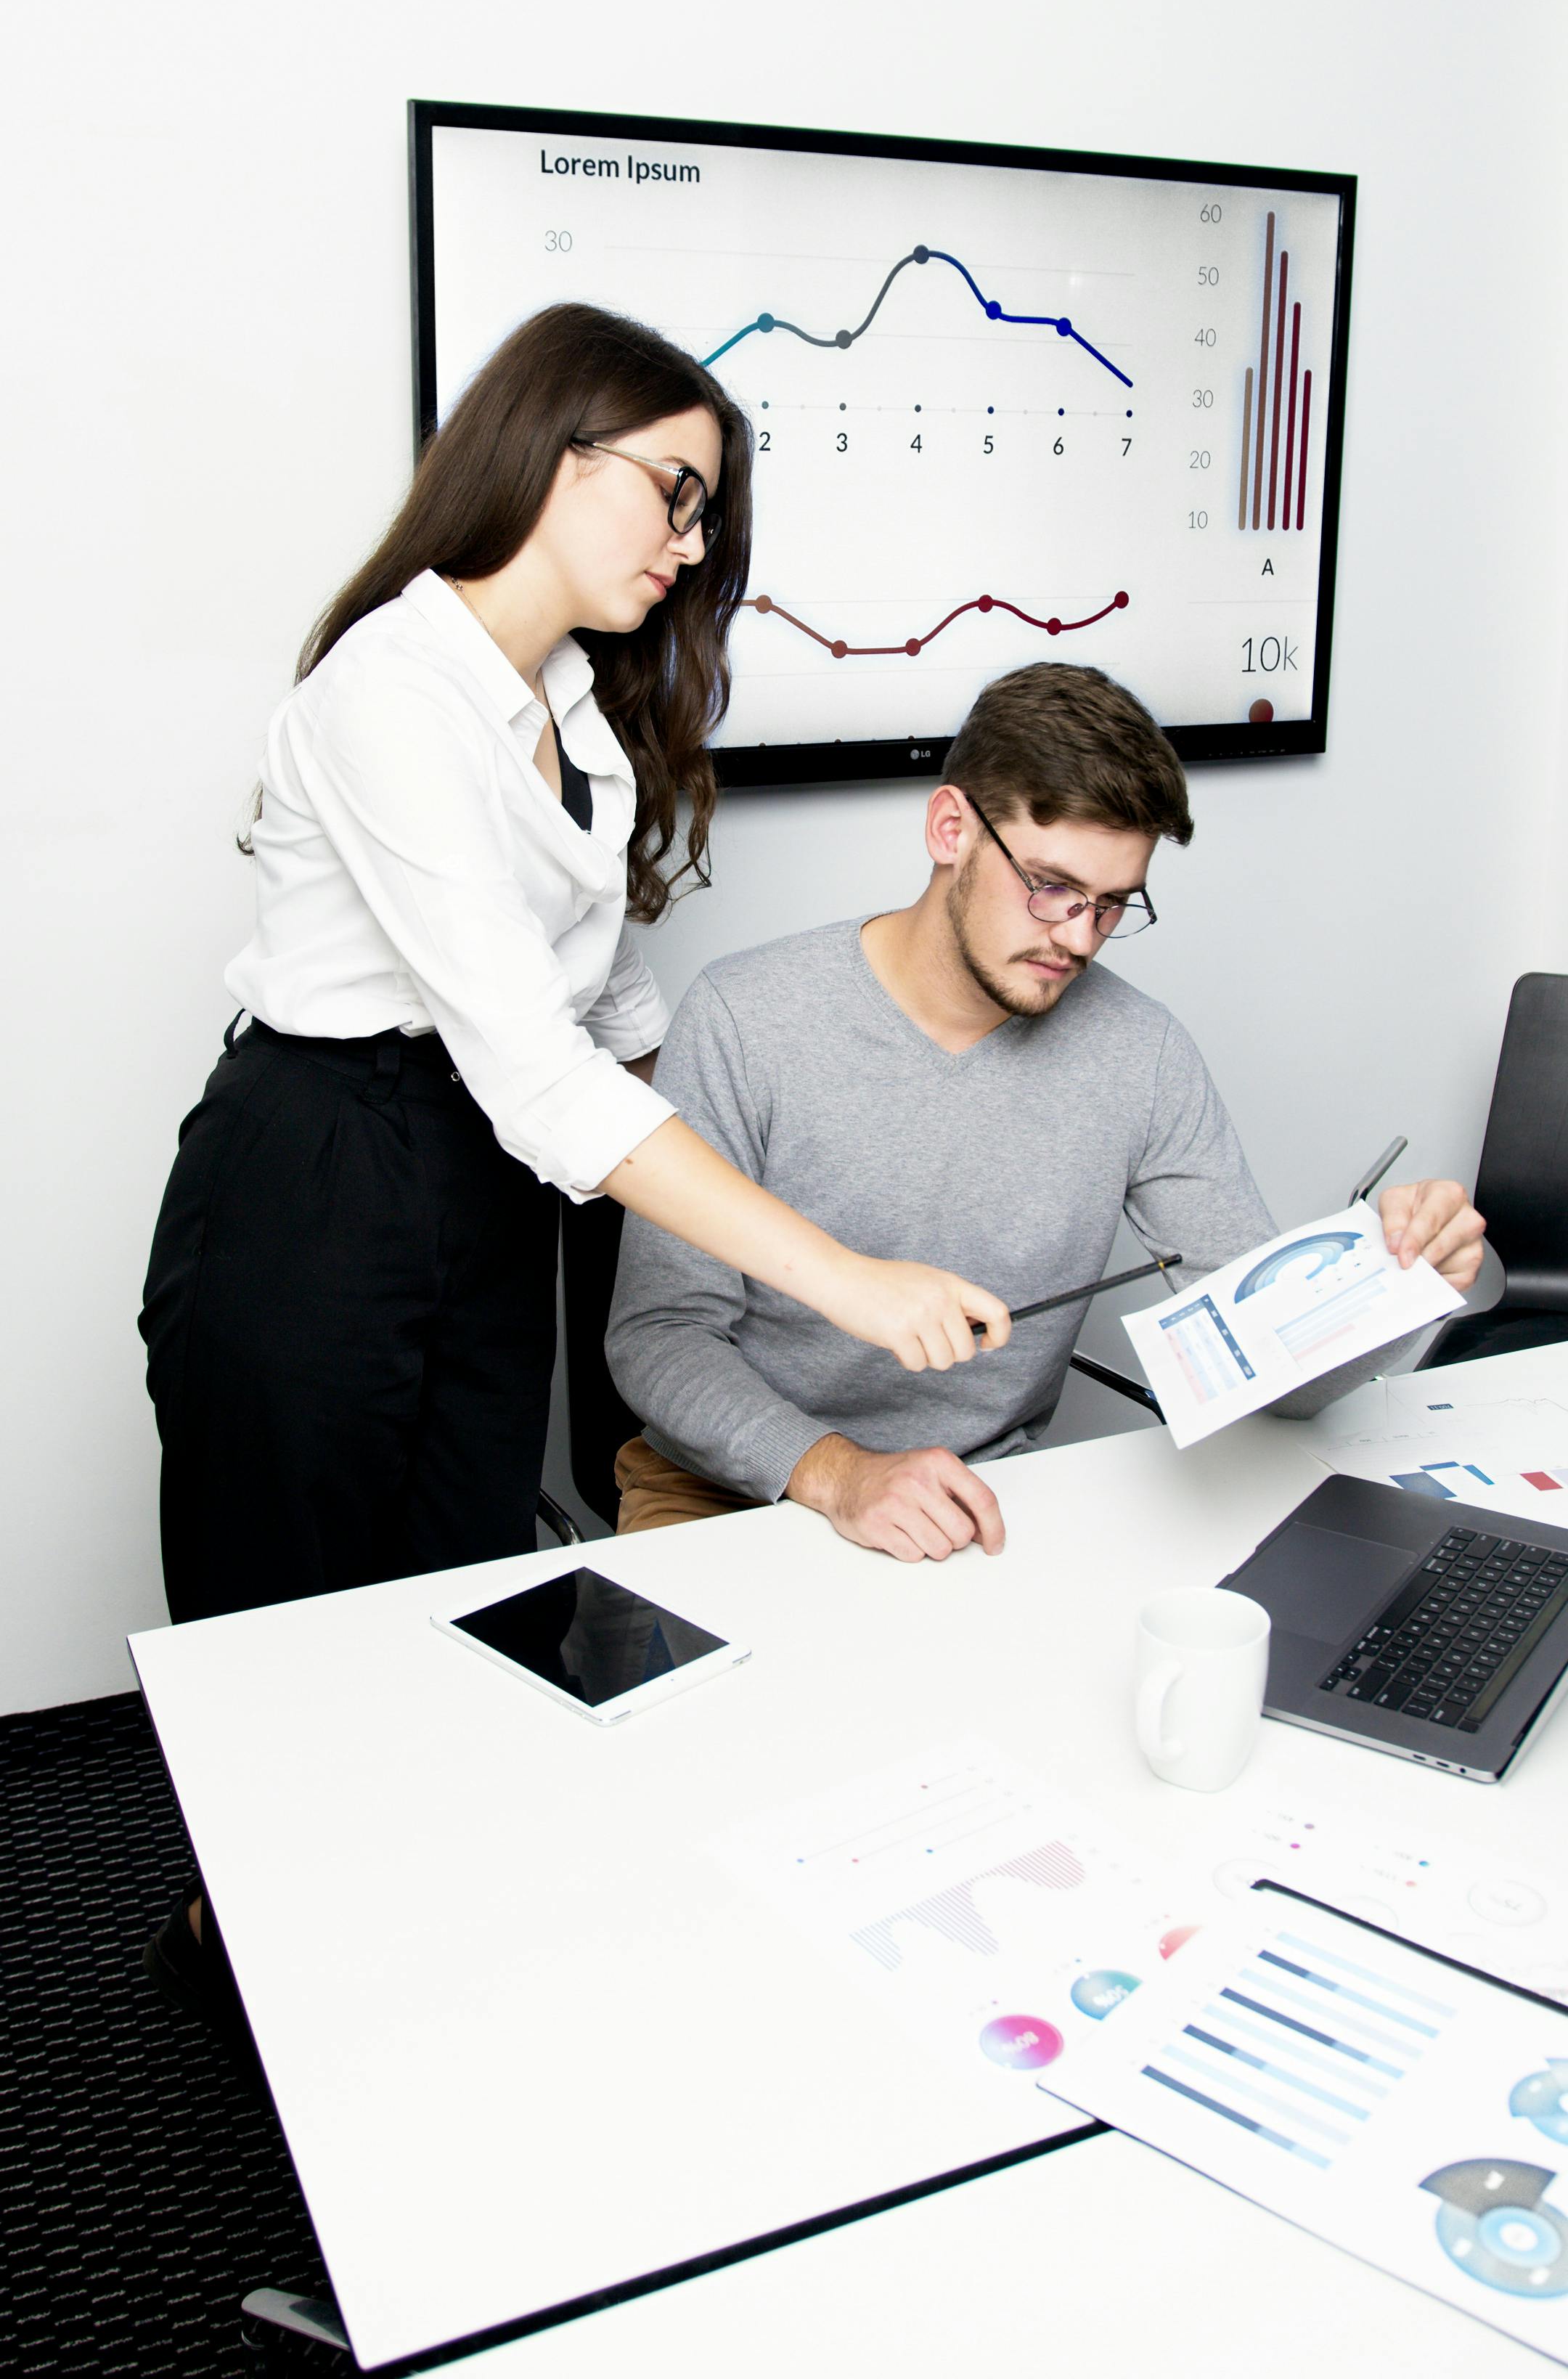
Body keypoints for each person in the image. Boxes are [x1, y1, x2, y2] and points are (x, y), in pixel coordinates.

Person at [138, 301, 1009, 2015]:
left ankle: (393, 1948)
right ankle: (239, 1966)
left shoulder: (576, 710)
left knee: (459, 1589)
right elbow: (537, 1071)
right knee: (283, 1633)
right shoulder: (390, 689)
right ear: (550, 447)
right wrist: (838, 1275)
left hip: (481, 1185)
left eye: (706, 515)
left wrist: (768, 1232)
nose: (688, 546)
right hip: (315, 1172)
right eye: (673, 493)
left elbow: (605, 1011)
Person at [605, 661, 1486, 1561]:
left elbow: (1274, 1368)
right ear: (951, 829)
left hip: (982, 1496)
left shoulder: (1143, 1055)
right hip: (730, 1493)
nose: (1077, 937)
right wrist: (839, 1474)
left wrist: (1396, 1282)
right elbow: (658, 1337)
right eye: (1052, 886)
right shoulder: (748, 1017)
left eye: (1111, 905)